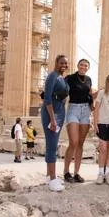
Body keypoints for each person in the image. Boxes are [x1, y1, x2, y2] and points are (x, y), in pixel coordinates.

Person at [41, 54, 70, 192]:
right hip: (51, 113)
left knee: (53, 143)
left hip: (59, 112)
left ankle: (49, 176)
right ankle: (52, 179)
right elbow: (47, 99)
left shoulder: (61, 78)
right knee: (51, 145)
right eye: (62, 63)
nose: (64, 65)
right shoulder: (52, 76)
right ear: (56, 63)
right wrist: (52, 119)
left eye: (66, 63)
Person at [63, 59, 93, 183]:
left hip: (86, 110)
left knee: (80, 143)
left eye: (85, 65)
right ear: (77, 66)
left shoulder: (89, 80)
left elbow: (90, 95)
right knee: (73, 142)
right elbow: (61, 90)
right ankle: (66, 171)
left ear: (88, 68)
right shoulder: (70, 78)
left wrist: (93, 106)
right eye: (81, 65)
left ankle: (76, 173)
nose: (83, 67)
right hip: (73, 109)